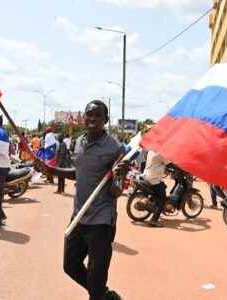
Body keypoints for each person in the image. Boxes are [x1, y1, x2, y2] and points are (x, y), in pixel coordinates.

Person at [35, 100, 128, 300]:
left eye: (98, 115)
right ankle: (105, 296)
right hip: (79, 217)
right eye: (89, 114)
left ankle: (99, 293)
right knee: (70, 265)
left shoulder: (115, 148)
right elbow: (78, 173)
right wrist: (52, 170)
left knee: (96, 280)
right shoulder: (79, 141)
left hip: (101, 221)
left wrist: (118, 175)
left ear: (106, 120)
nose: (92, 119)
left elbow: (116, 191)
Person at [142, 150, 168, 227]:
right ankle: (154, 220)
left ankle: (154, 206)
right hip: (154, 179)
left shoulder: (151, 151)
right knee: (163, 199)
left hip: (146, 175)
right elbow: (169, 163)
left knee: (162, 186)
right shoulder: (160, 153)